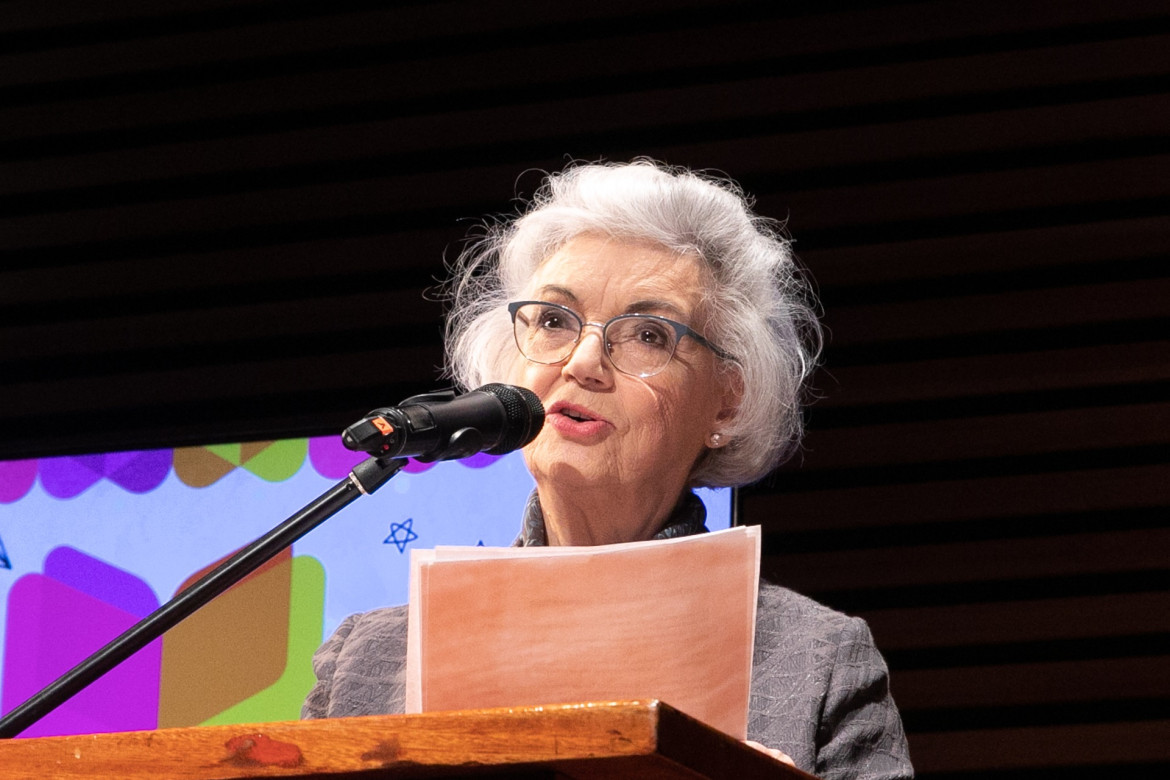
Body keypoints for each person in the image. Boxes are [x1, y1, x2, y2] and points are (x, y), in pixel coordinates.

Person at [302, 159, 913, 779]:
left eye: (648, 334)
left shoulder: (816, 662)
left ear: (727, 399)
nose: (583, 362)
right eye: (552, 320)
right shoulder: (365, 662)